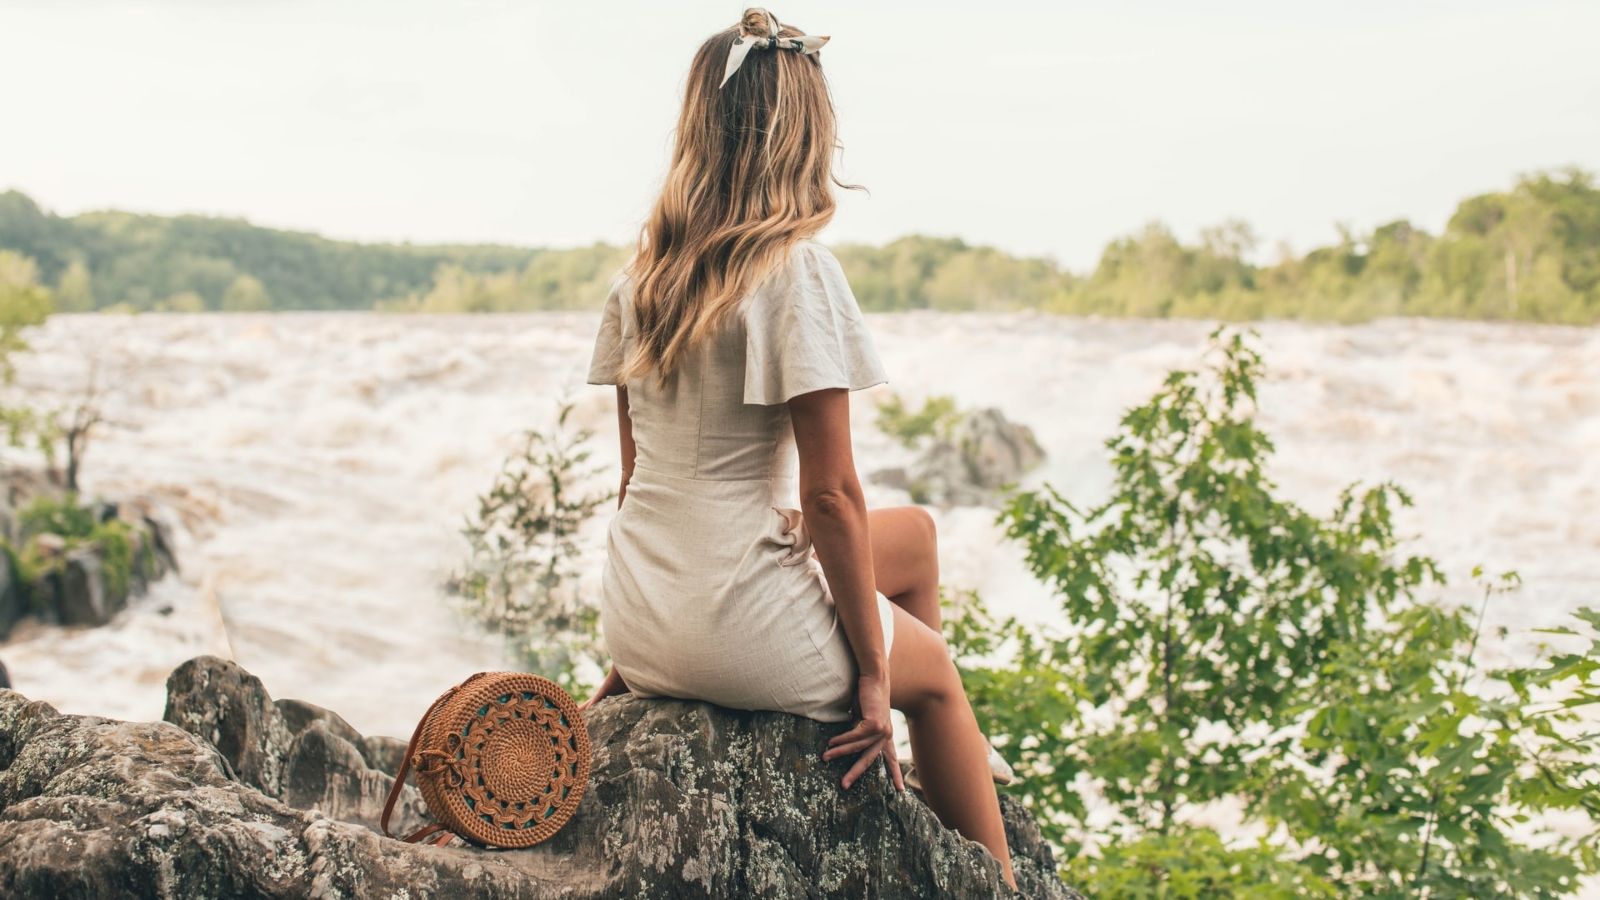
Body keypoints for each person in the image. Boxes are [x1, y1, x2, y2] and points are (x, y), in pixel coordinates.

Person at [577, 8, 1018, 891]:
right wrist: (875, 677)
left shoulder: (643, 277)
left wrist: (633, 658)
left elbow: (638, 483)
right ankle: (997, 875)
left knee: (919, 536)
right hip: (743, 630)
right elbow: (832, 500)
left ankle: (939, 759)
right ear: (801, 135)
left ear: (700, 129)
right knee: (935, 678)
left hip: (644, 620)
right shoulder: (796, 270)